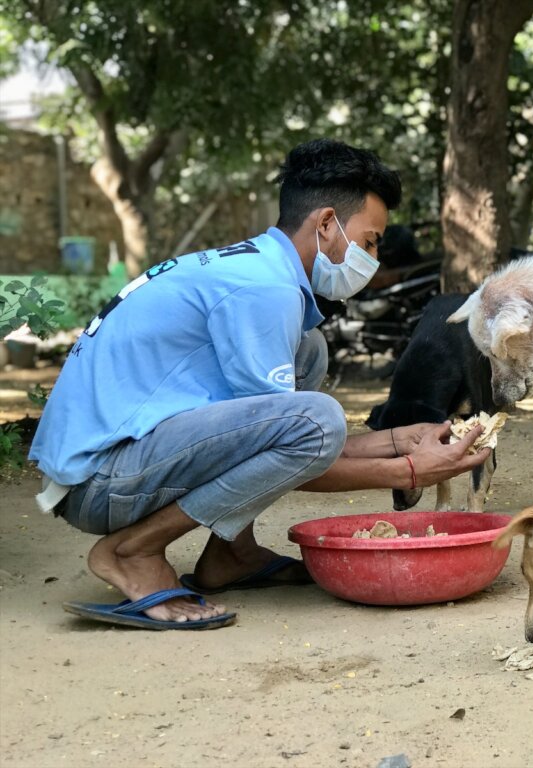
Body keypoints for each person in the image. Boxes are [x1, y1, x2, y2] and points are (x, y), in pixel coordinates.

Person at [28, 139, 490, 629]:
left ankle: (232, 552)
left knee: (306, 354)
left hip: (110, 464)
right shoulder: (265, 291)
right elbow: (300, 449)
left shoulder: (255, 269)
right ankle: (132, 551)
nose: (373, 257)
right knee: (317, 417)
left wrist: (400, 438)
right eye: (371, 240)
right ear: (327, 223)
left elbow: (274, 441)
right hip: (100, 483)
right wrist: (409, 470)